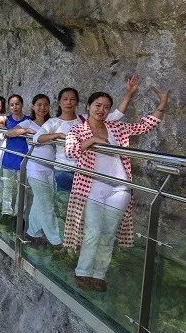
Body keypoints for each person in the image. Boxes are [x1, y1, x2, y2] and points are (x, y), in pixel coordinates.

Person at [64, 87, 169, 292]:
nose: (101, 110)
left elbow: (144, 126)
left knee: (108, 233)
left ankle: (99, 274)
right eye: (97, 105)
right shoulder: (77, 130)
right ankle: (83, 271)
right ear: (88, 106)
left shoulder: (116, 127)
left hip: (119, 187)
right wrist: (92, 140)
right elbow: (71, 151)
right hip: (91, 187)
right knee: (93, 231)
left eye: (105, 107)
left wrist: (162, 105)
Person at [34, 76, 140, 220]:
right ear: (59, 102)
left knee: (83, 212)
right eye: (65, 99)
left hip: (86, 172)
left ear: (78, 103)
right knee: (65, 208)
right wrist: (56, 135)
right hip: (64, 170)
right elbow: (37, 138)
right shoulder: (53, 122)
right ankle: (61, 241)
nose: (69, 102)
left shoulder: (85, 119)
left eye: (72, 99)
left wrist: (128, 94)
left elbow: (114, 116)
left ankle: (77, 240)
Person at [5, 94, 61, 246]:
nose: (42, 108)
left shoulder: (52, 123)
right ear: (33, 107)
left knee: (39, 202)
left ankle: (32, 233)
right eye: (39, 105)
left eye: (45, 105)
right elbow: (9, 133)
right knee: (47, 204)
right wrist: (23, 131)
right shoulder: (28, 122)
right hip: (34, 168)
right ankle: (56, 241)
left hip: (51, 168)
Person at [0, 94, 29, 224]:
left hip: (23, 160)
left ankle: (19, 216)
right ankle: (6, 212)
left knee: (21, 190)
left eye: (17, 104)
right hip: (9, 158)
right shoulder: (6, 120)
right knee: (8, 187)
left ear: (22, 104)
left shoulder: (30, 120)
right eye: (11, 104)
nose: (15, 107)